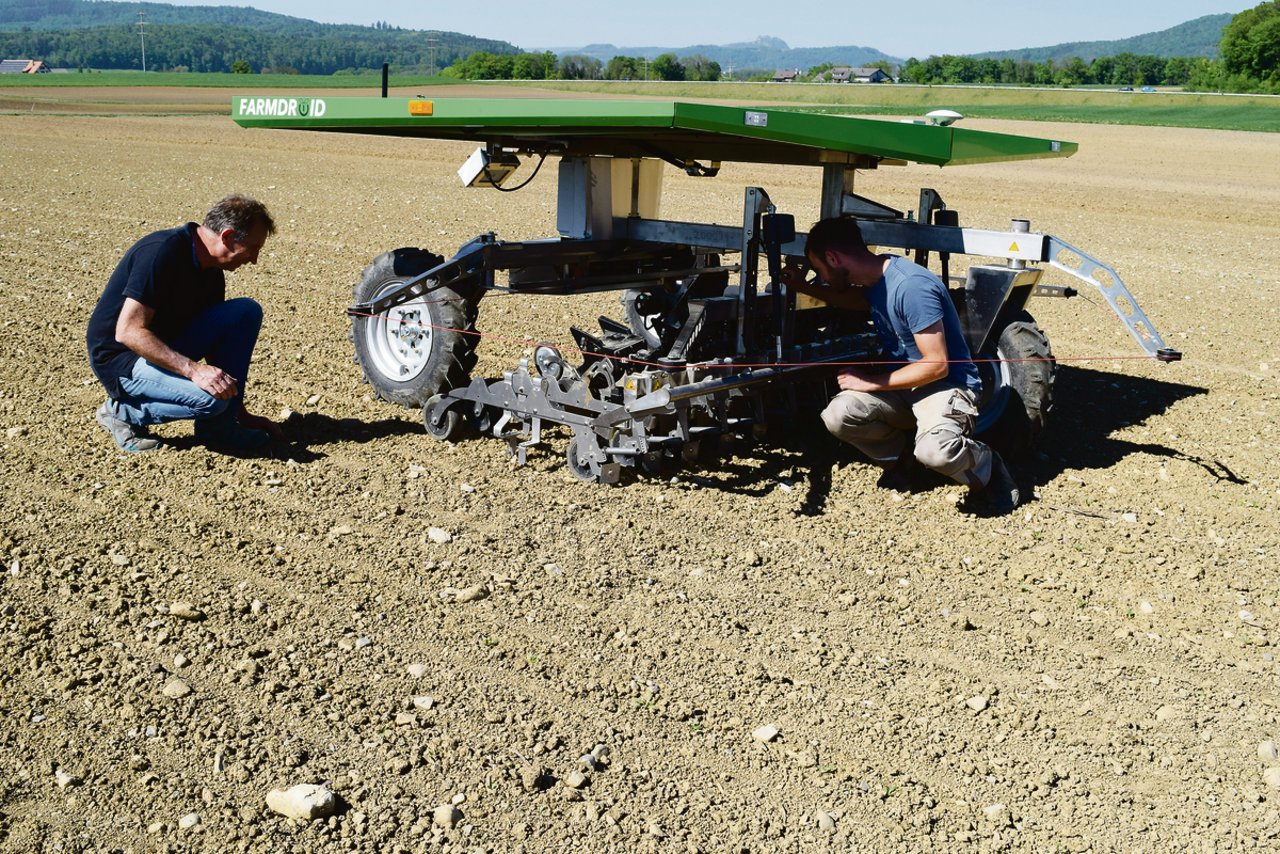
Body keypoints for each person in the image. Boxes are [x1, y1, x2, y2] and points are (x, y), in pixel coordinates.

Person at [782, 217, 1021, 513]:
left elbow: (937, 365)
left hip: (945, 386)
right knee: (839, 414)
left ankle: (988, 467)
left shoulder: (911, 287)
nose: (823, 278)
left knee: (937, 452)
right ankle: (905, 460)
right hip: (905, 385)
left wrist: (871, 383)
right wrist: (800, 286)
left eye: (820, 270)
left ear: (833, 257)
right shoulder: (876, 281)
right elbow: (855, 301)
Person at [86, 194, 283, 453]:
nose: (254, 259)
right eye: (253, 247)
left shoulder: (211, 269)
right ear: (226, 237)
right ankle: (122, 411)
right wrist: (193, 371)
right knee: (210, 400)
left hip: (164, 346)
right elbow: (128, 332)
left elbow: (219, 345)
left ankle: (220, 428)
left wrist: (239, 412)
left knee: (244, 312)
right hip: (122, 358)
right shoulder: (161, 252)